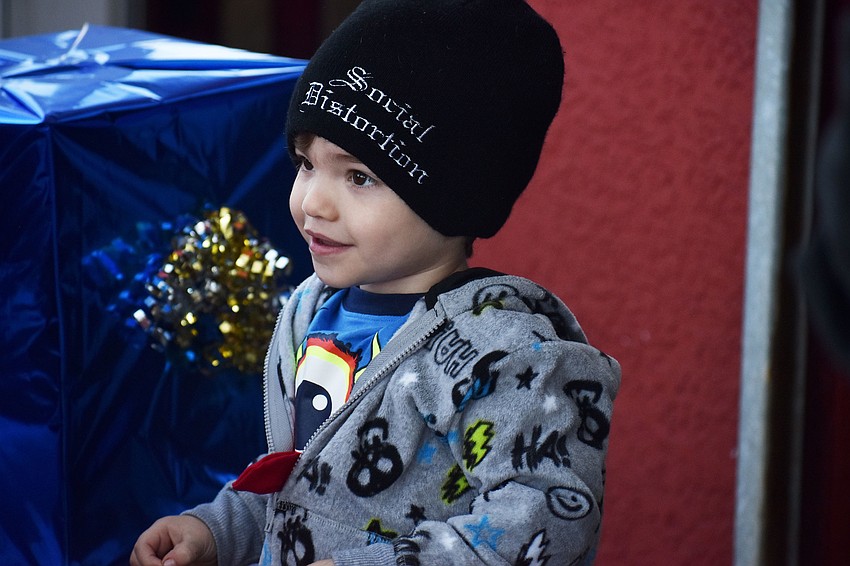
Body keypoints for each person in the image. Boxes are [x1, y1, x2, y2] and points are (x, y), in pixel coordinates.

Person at [130, 0, 621, 564]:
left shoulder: (504, 356)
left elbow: (545, 524)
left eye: (359, 176)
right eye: (306, 163)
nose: (312, 202)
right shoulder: (311, 314)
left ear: (457, 198)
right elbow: (304, 487)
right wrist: (217, 532)